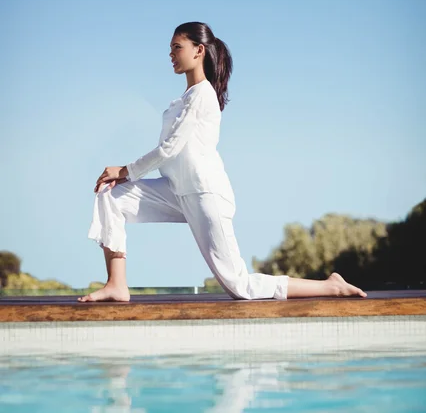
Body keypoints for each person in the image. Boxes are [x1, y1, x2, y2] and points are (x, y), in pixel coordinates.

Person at [78, 22, 367, 303]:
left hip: (205, 195)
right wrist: (123, 178)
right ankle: (117, 284)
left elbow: (170, 148)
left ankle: (331, 286)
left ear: (199, 50)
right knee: (111, 196)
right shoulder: (184, 98)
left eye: (177, 47)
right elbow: (171, 153)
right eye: (170, 48)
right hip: (176, 190)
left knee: (240, 286)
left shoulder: (203, 95)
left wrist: (126, 170)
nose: (171, 54)